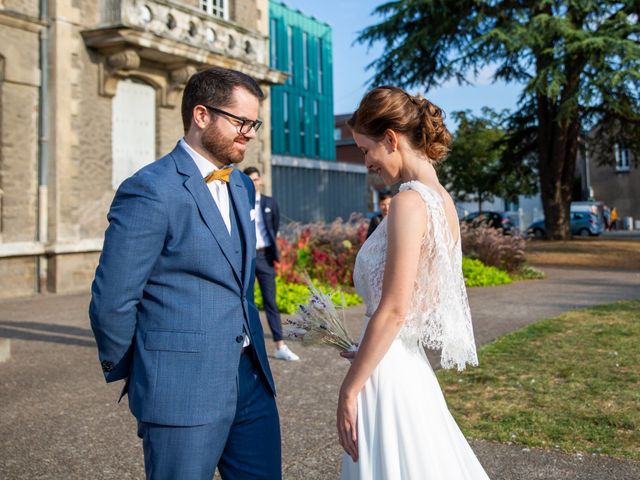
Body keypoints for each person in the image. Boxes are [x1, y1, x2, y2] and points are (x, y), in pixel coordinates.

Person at [89, 67, 281, 480]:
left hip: (252, 381)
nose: (250, 133)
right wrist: (148, 371)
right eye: (241, 122)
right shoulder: (150, 189)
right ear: (201, 115)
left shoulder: (241, 186)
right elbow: (113, 301)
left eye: (255, 123)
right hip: (181, 390)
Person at [337, 86, 490, 479]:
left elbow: (395, 308)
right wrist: (371, 343)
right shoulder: (443, 202)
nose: (366, 161)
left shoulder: (408, 202)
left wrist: (350, 389)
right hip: (408, 366)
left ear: (391, 139)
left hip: (388, 376)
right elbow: (425, 301)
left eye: (366, 149)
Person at [243, 166, 300, 361]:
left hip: (265, 256)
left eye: (256, 179)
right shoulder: (240, 202)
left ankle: (280, 345)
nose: (254, 182)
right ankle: (245, 344)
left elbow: (273, 227)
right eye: (250, 179)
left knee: (271, 302)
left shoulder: (270, 202)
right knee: (245, 302)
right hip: (246, 257)